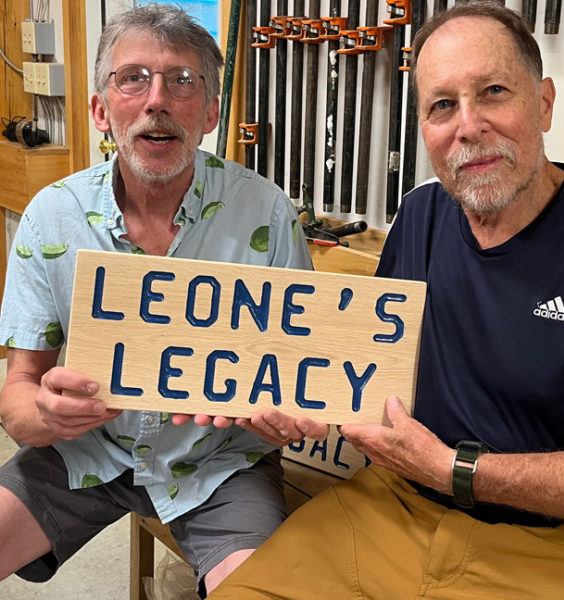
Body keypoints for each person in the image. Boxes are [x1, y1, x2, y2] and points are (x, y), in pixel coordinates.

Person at [210, 3, 564, 598]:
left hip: (555, 549)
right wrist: (295, 406)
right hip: (391, 508)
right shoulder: (419, 212)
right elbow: (365, 381)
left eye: (494, 92)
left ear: (545, 102)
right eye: (442, 105)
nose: (468, 125)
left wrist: (452, 469)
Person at [0, 5, 323, 597]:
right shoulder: (53, 215)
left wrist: (288, 418)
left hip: (221, 461)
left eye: (181, 80)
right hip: (86, 449)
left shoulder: (269, 213)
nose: (157, 100)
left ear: (210, 112)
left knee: (260, 592)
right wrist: (44, 414)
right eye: (133, 78)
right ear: (101, 110)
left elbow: (298, 377)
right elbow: (16, 392)